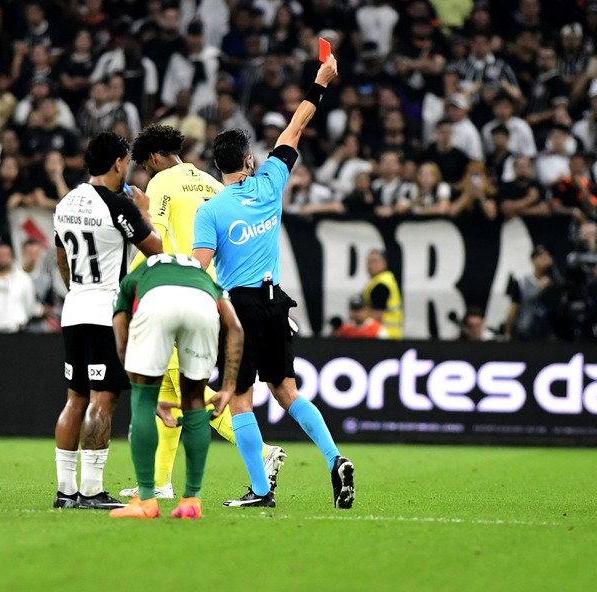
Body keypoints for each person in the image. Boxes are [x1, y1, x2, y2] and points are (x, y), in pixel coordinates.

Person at [193, 55, 355, 510]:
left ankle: (261, 491)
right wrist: (320, 82)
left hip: (240, 311)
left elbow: (198, 266)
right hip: (276, 302)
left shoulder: (212, 210)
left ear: (218, 166)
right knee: (287, 391)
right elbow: (296, 126)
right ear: (248, 159)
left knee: (240, 400)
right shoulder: (269, 181)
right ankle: (334, 458)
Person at [118, 124, 286, 500]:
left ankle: (264, 454)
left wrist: (132, 287)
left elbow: (152, 239)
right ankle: (159, 482)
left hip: (177, 295)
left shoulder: (161, 183)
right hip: (218, 296)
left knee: (190, 392)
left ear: (155, 158)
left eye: (146, 165)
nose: (146, 173)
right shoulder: (211, 183)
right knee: (167, 384)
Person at [51, 132, 163, 510]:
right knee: (104, 398)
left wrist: (75, 291)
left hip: (74, 308)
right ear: (118, 162)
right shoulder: (119, 207)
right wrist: (144, 211)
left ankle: (65, 491)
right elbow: (155, 250)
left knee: (75, 399)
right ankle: (92, 490)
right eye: (126, 160)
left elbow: (62, 258)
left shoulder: (66, 202)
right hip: (103, 313)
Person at [109, 254, 244, 519]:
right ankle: (191, 500)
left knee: (143, 401)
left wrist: (135, 379)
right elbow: (235, 328)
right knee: (194, 400)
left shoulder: (135, 276)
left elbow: (120, 325)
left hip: (157, 303)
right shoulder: (206, 279)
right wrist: (228, 387)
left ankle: (146, 500)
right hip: (201, 306)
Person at [363, 249, 403, 339]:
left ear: (384, 263)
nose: (370, 266)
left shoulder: (381, 285)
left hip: (382, 334)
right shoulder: (386, 280)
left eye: (375, 261)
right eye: (368, 262)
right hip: (392, 334)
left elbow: (377, 316)